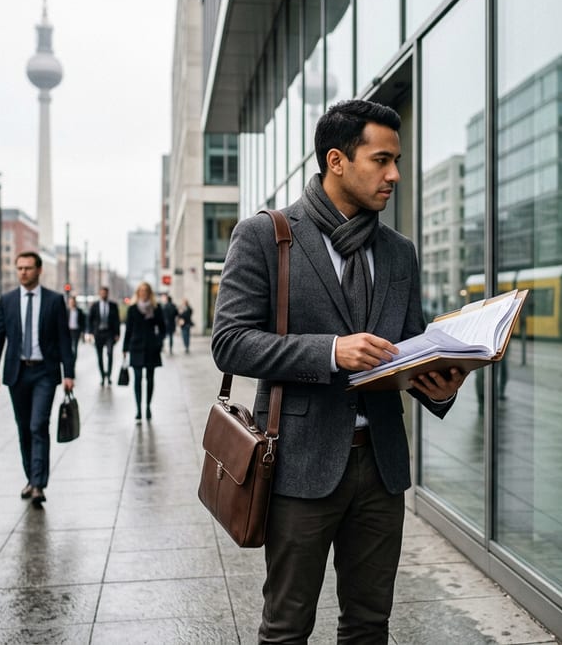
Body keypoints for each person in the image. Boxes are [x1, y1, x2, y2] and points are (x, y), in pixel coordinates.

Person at [212, 99, 468, 643]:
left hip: (381, 469)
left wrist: (439, 384)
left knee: (370, 626)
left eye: (396, 160)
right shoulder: (267, 235)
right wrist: (331, 351)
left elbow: (407, 347)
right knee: (286, 627)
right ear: (337, 161)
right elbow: (231, 343)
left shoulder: (399, 252)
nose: (394, 174)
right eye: (381, 160)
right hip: (299, 465)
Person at [0, 251, 75, 508]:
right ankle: (31, 478)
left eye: (27, 268)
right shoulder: (7, 301)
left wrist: (68, 373)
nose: (23, 272)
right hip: (17, 372)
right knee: (24, 427)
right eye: (19, 268)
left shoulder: (54, 300)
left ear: (38, 270)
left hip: (45, 372)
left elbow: (63, 339)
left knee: (38, 425)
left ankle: (38, 483)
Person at [122, 281, 166, 421]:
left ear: (149, 293)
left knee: (150, 379)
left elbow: (163, 328)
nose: (143, 293)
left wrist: (158, 341)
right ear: (138, 293)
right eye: (141, 291)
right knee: (137, 378)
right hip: (136, 347)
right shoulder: (133, 309)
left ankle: (147, 406)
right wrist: (125, 348)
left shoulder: (156, 308)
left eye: (146, 291)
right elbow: (128, 329)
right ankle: (138, 409)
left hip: (151, 348)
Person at [87, 286, 120, 385]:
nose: (103, 295)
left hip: (109, 333)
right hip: (98, 334)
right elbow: (89, 319)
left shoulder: (113, 305)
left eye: (105, 293)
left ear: (107, 294)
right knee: (99, 356)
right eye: (102, 293)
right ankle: (102, 376)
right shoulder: (95, 305)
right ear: (99, 294)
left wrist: (117, 334)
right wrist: (89, 333)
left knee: (110, 354)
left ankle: (109, 376)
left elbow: (117, 320)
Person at [67, 295, 86, 362]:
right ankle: (69, 361)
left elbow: (83, 323)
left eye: (73, 302)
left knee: (75, 347)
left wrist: (83, 333)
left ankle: (73, 361)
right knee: (68, 347)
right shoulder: (66, 311)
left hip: (76, 331)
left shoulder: (79, 311)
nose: (72, 303)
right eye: (70, 302)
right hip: (68, 332)